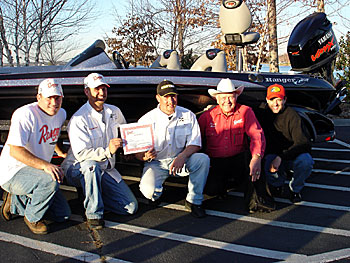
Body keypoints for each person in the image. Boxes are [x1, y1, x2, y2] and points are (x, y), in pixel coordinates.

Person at [61, 73, 138, 230]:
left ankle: (91, 194)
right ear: (87, 91)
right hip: (78, 168)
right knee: (91, 165)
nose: (101, 93)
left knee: (130, 208)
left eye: (104, 88)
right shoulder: (79, 119)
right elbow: (81, 154)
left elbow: (125, 133)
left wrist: (133, 149)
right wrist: (107, 151)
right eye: (96, 89)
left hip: (106, 169)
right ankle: (93, 214)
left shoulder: (115, 111)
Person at [0, 78, 71, 234]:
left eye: (57, 98)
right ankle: (32, 218)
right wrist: (46, 165)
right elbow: (15, 150)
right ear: (39, 97)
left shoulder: (60, 114)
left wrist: (60, 152)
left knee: (62, 215)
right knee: (50, 181)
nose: (54, 102)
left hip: (37, 171)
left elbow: (53, 135)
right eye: (49, 98)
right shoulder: (25, 114)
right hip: (14, 172)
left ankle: (14, 202)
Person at [198, 78, 275, 213]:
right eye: (223, 97)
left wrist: (256, 157)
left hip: (238, 159)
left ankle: (258, 201)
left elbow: (257, 135)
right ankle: (222, 187)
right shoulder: (206, 116)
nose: (227, 101)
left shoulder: (246, 112)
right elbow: (196, 140)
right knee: (211, 190)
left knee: (256, 161)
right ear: (217, 99)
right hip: (216, 162)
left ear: (236, 97)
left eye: (230, 97)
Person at [136, 80, 210, 218]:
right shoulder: (146, 120)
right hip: (156, 163)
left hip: (181, 159)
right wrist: (144, 156)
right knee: (148, 191)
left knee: (202, 159)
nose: (170, 101)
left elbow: (196, 143)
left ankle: (194, 201)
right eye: (166, 97)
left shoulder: (188, 115)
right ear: (158, 98)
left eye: (173, 96)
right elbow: (137, 154)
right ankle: (156, 195)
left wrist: (182, 156)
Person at [256, 83, 314, 203]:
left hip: (291, 155)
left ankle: (295, 190)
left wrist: (281, 157)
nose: (275, 103)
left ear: (285, 100)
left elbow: (303, 143)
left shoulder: (293, 116)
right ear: (267, 100)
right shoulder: (262, 114)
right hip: (272, 155)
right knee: (266, 163)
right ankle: (277, 184)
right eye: (272, 100)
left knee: (306, 161)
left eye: (279, 99)